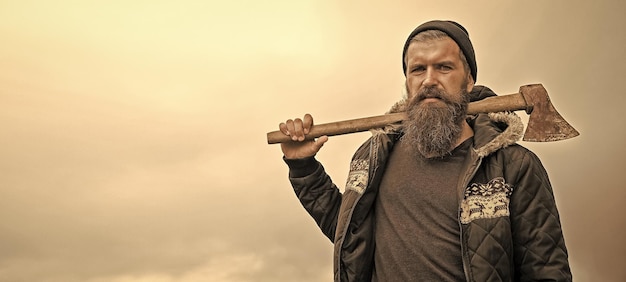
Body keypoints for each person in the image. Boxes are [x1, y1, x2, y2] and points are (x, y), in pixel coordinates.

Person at [277, 20, 572, 281]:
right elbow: (351, 236)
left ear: (469, 80)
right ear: (408, 82)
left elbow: (546, 270)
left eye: (444, 67)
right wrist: (303, 167)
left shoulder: (514, 166)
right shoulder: (374, 156)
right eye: (418, 69)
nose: (429, 79)